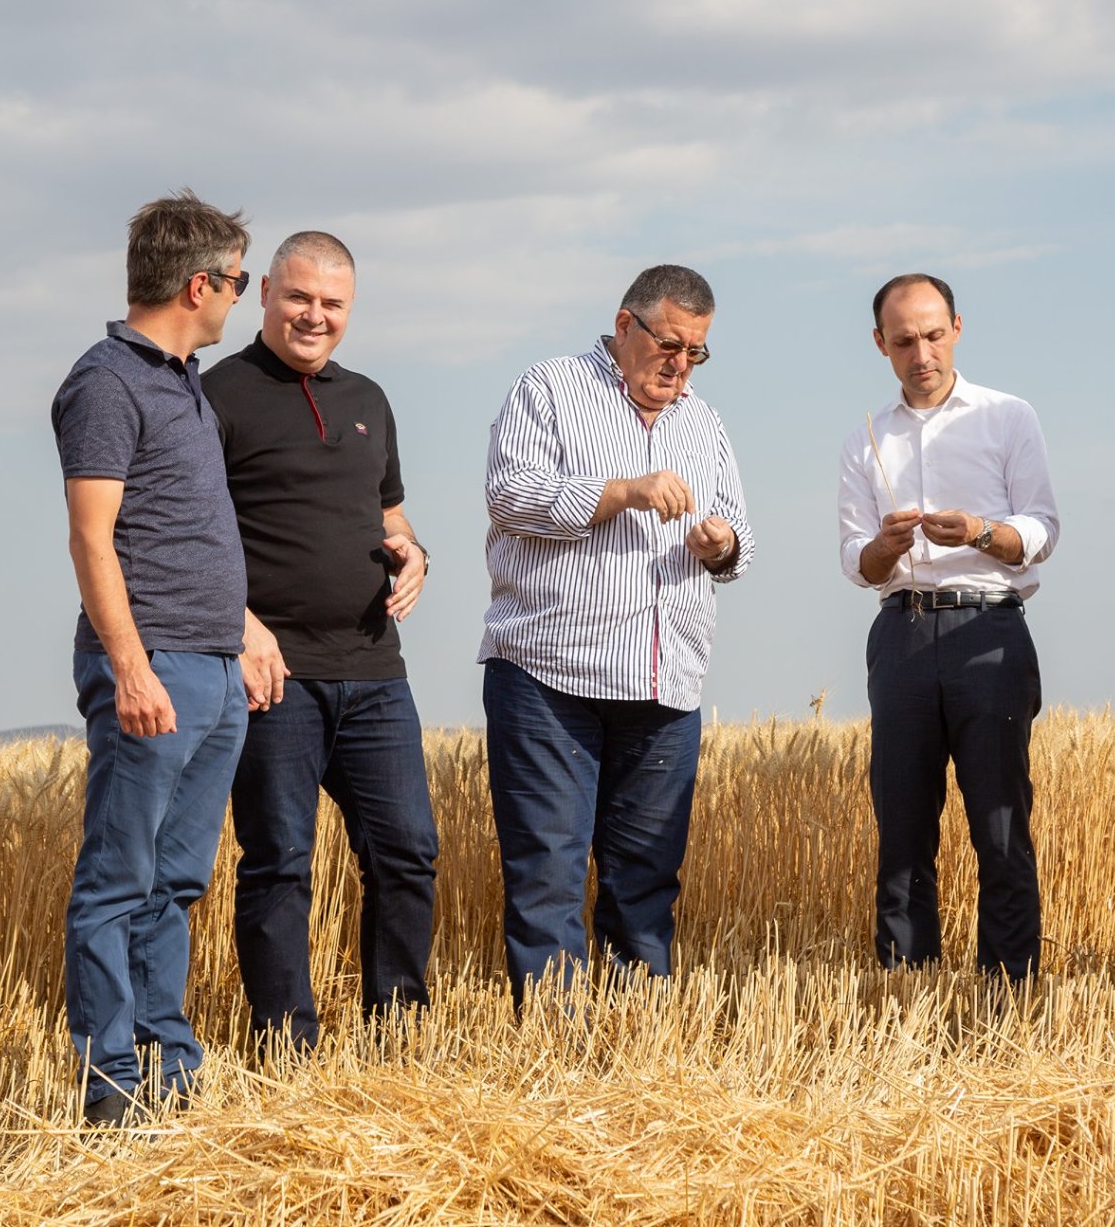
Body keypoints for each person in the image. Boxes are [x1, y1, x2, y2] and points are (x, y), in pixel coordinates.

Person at [479, 263, 755, 1004]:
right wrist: (622, 491)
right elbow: (510, 496)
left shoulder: (704, 422)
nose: (680, 364)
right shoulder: (550, 388)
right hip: (549, 676)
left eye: (696, 351)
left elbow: (740, 538)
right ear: (625, 324)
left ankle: (639, 1043)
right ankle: (557, 1046)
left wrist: (722, 544)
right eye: (670, 344)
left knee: (646, 882)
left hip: (665, 681)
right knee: (548, 875)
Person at [49, 190, 263, 1125]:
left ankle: (171, 1076)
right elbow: (91, 537)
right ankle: (112, 1090)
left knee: (174, 884)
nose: (240, 299)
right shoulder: (107, 383)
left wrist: (241, 636)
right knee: (116, 881)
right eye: (240, 282)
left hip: (212, 666)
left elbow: (189, 531)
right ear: (198, 284)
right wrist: (130, 667)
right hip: (155, 666)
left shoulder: (184, 383)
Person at [202, 232, 438, 1053]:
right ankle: (285, 1050)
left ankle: (396, 1038)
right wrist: (241, 627)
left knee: (408, 852)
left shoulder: (368, 397)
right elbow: (195, 533)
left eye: (332, 303)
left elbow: (389, 512)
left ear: (350, 309)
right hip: (276, 676)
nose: (314, 315)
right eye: (300, 297)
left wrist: (414, 551)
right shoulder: (217, 397)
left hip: (375, 669)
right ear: (265, 290)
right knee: (279, 862)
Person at [836, 274, 1059, 981]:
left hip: (988, 629)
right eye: (904, 341)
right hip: (900, 631)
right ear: (881, 344)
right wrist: (884, 547)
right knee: (901, 828)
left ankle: (1009, 991)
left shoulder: (1008, 416)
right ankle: (907, 994)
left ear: (957, 328)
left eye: (934, 335)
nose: (922, 353)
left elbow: (1042, 530)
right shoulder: (865, 438)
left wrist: (979, 531)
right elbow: (856, 561)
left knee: (1000, 824)